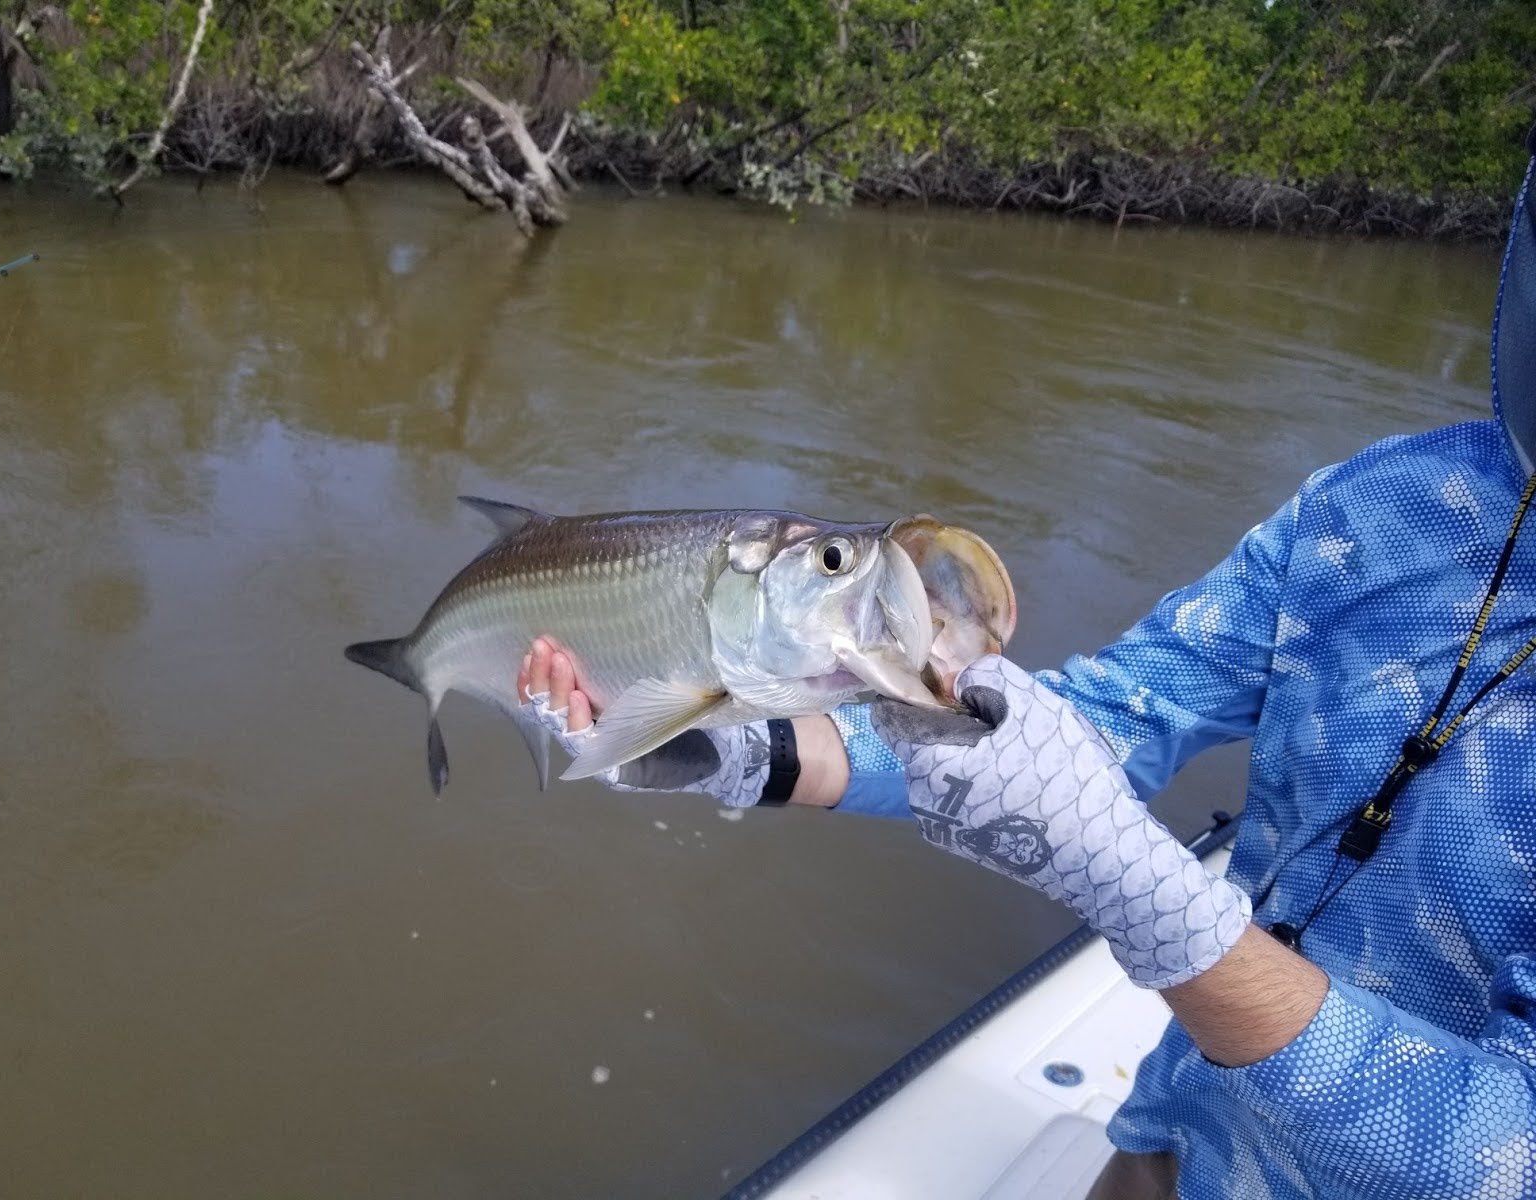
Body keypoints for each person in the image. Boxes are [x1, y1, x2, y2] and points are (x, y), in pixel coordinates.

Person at [515, 154, 1536, 1200]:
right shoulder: (1382, 502)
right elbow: (1111, 720)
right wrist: (741, 742)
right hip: (1175, 1131)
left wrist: (1155, 904)